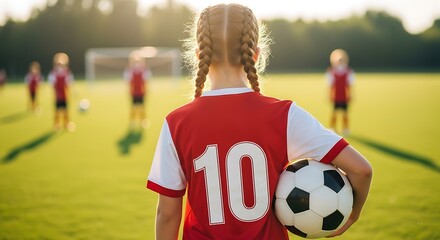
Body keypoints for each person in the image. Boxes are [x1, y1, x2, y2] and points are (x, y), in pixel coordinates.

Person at [146, 3, 372, 240]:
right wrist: (351, 214)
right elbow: (361, 170)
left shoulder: (176, 122)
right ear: (255, 54)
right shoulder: (284, 115)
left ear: (199, 55)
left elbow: (168, 214)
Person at [326, 49, 355, 136]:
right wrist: (330, 95)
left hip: (344, 96)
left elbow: (349, 85)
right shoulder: (332, 71)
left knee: (345, 113)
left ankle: (345, 128)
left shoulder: (348, 71)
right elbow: (331, 85)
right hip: (336, 96)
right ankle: (332, 127)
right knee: (334, 113)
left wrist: (350, 95)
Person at [123, 50, 151, 129]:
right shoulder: (130, 71)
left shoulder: (144, 70)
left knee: (142, 108)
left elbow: (146, 82)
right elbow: (128, 82)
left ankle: (143, 121)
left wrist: (146, 91)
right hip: (134, 93)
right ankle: (132, 123)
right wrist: (129, 91)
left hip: (141, 93)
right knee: (133, 108)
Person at [48, 52, 75, 132]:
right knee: (57, 111)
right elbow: (52, 84)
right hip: (57, 95)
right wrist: (55, 94)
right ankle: (57, 124)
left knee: (66, 110)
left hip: (65, 95)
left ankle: (66, 124)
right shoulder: (53, 73)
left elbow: (69, 84)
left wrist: (69, 93)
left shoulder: (67, 73)